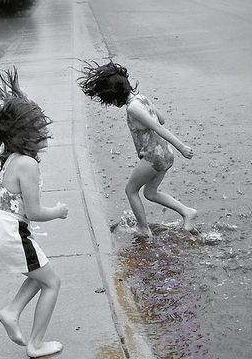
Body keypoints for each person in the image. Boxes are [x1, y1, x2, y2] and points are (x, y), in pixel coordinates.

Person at [0, 67, 68, 358]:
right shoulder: (28, 165)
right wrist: (57, 211)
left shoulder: (10, 161)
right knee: (52, 282)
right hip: (11, 232)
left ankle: (11, 311)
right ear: (28, 134)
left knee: (39, 273)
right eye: (40, 128)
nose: (45, 131)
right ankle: (35, 344)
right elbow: (33, 212)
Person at [78, 60, 197, 236]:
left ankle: (143, 229)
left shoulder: (132, 108)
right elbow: (161, 119)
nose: (111, 104)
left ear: (115, 95)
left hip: (152, 156)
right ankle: (187, 212)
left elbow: (158, 127)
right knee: (150, 192)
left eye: (110, 101)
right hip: (165, 154)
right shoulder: (141, 98)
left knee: (131, 190)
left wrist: (181, 146)